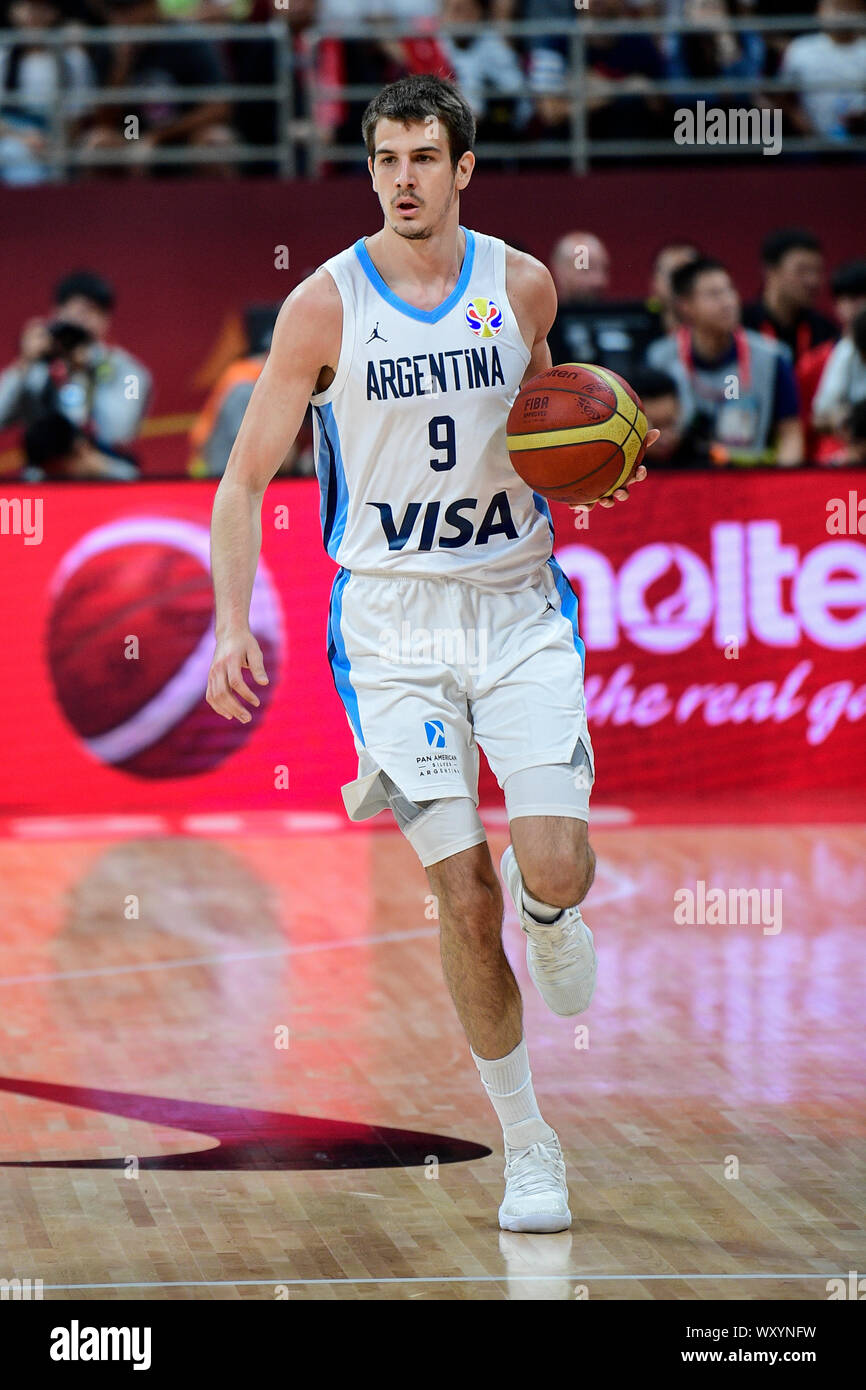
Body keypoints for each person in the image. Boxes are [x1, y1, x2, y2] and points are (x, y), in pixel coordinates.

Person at [206, 73, 657, 1234]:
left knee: (549, 868)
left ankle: (549, 913)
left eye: (421, 157)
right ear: (368, 170)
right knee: (458, 893)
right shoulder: (320, 307)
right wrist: (225, 626)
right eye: (383, 158)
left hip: (514, 607)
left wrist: (602, 461)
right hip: (392, 629)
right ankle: (529, 1144)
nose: (400, 178)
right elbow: (242, 481)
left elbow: (562, 417)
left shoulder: (518, 283)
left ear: (462, 168)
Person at [649, 256, 803, 464]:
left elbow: (790, 434)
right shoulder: (660, 358)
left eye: (730, 291)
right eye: (714, 294)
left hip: (751, 480)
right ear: (686, 306)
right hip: (682, 477)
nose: (728, 302)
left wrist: (783, 483)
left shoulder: (772, 357)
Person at [0, 268, 151, 476]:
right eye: (74, 313)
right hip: (44, 479)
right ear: (55, 314)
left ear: (105, 320)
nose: (80, 322)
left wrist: (86, 368)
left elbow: (119, 432)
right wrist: (22, 365)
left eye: (90, 313)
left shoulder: (130, 374)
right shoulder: (37, 369)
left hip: (106, 475)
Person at [547, 230, 662, 379]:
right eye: (587, 270)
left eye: (603, 269)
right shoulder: (543, 325)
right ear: (559, 269)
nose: (599, 280)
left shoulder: (637, 320)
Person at [743, 227, 838, 364]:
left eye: (817, 271)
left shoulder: (826, 332)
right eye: (802, 270)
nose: (812, 281)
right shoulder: (742, 326)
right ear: (770, 271)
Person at [778, 0, 866, 141]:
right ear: (818, 11)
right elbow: (782, 96)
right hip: (811, 140)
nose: (840, 14)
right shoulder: (800, 48)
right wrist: (798, 119)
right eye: (833, 6)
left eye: (847, 7)